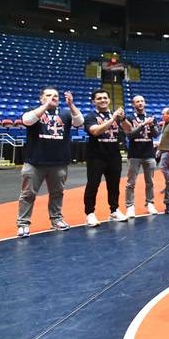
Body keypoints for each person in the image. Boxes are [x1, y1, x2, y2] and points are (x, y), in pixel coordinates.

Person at [16, 87, 83, 237]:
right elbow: (27, 121)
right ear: (41, 98)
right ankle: (23, 223)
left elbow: (79, 122)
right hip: (35, 162)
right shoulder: (33, 110)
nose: (53, 97)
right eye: (48, 95)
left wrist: (71, 105)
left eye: (56, 96)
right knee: (28, 194)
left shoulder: (65, 113)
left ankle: (56, 219)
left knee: (57, 193)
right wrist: (46, 105)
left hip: (59, 162)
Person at [84, 89, 128, 226]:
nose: (103, 100)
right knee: (93, 185)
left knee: (114, 185)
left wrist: (124, 119)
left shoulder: (116, 116)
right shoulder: (90, 116)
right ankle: (90, 213)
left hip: (114, 155)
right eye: (99, 98)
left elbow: (129, 130)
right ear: (93, 102)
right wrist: (113, 119)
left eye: (105, 98)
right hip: (96, 156)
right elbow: (95, 131)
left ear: (109, 100)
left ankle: (114, 210)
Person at [122, 95, 159, 217]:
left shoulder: (151, 117)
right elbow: (130, 135)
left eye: (142, 101)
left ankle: (150, 203)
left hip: (149, 154)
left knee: (150, 182)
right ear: (133, 104)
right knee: (131, 182)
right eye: (137, 101)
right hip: (134, 154)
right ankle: (130, 206)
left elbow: (155, 134)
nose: (140, 103)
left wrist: (152, 125)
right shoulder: (129, 117)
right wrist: (143, 125)